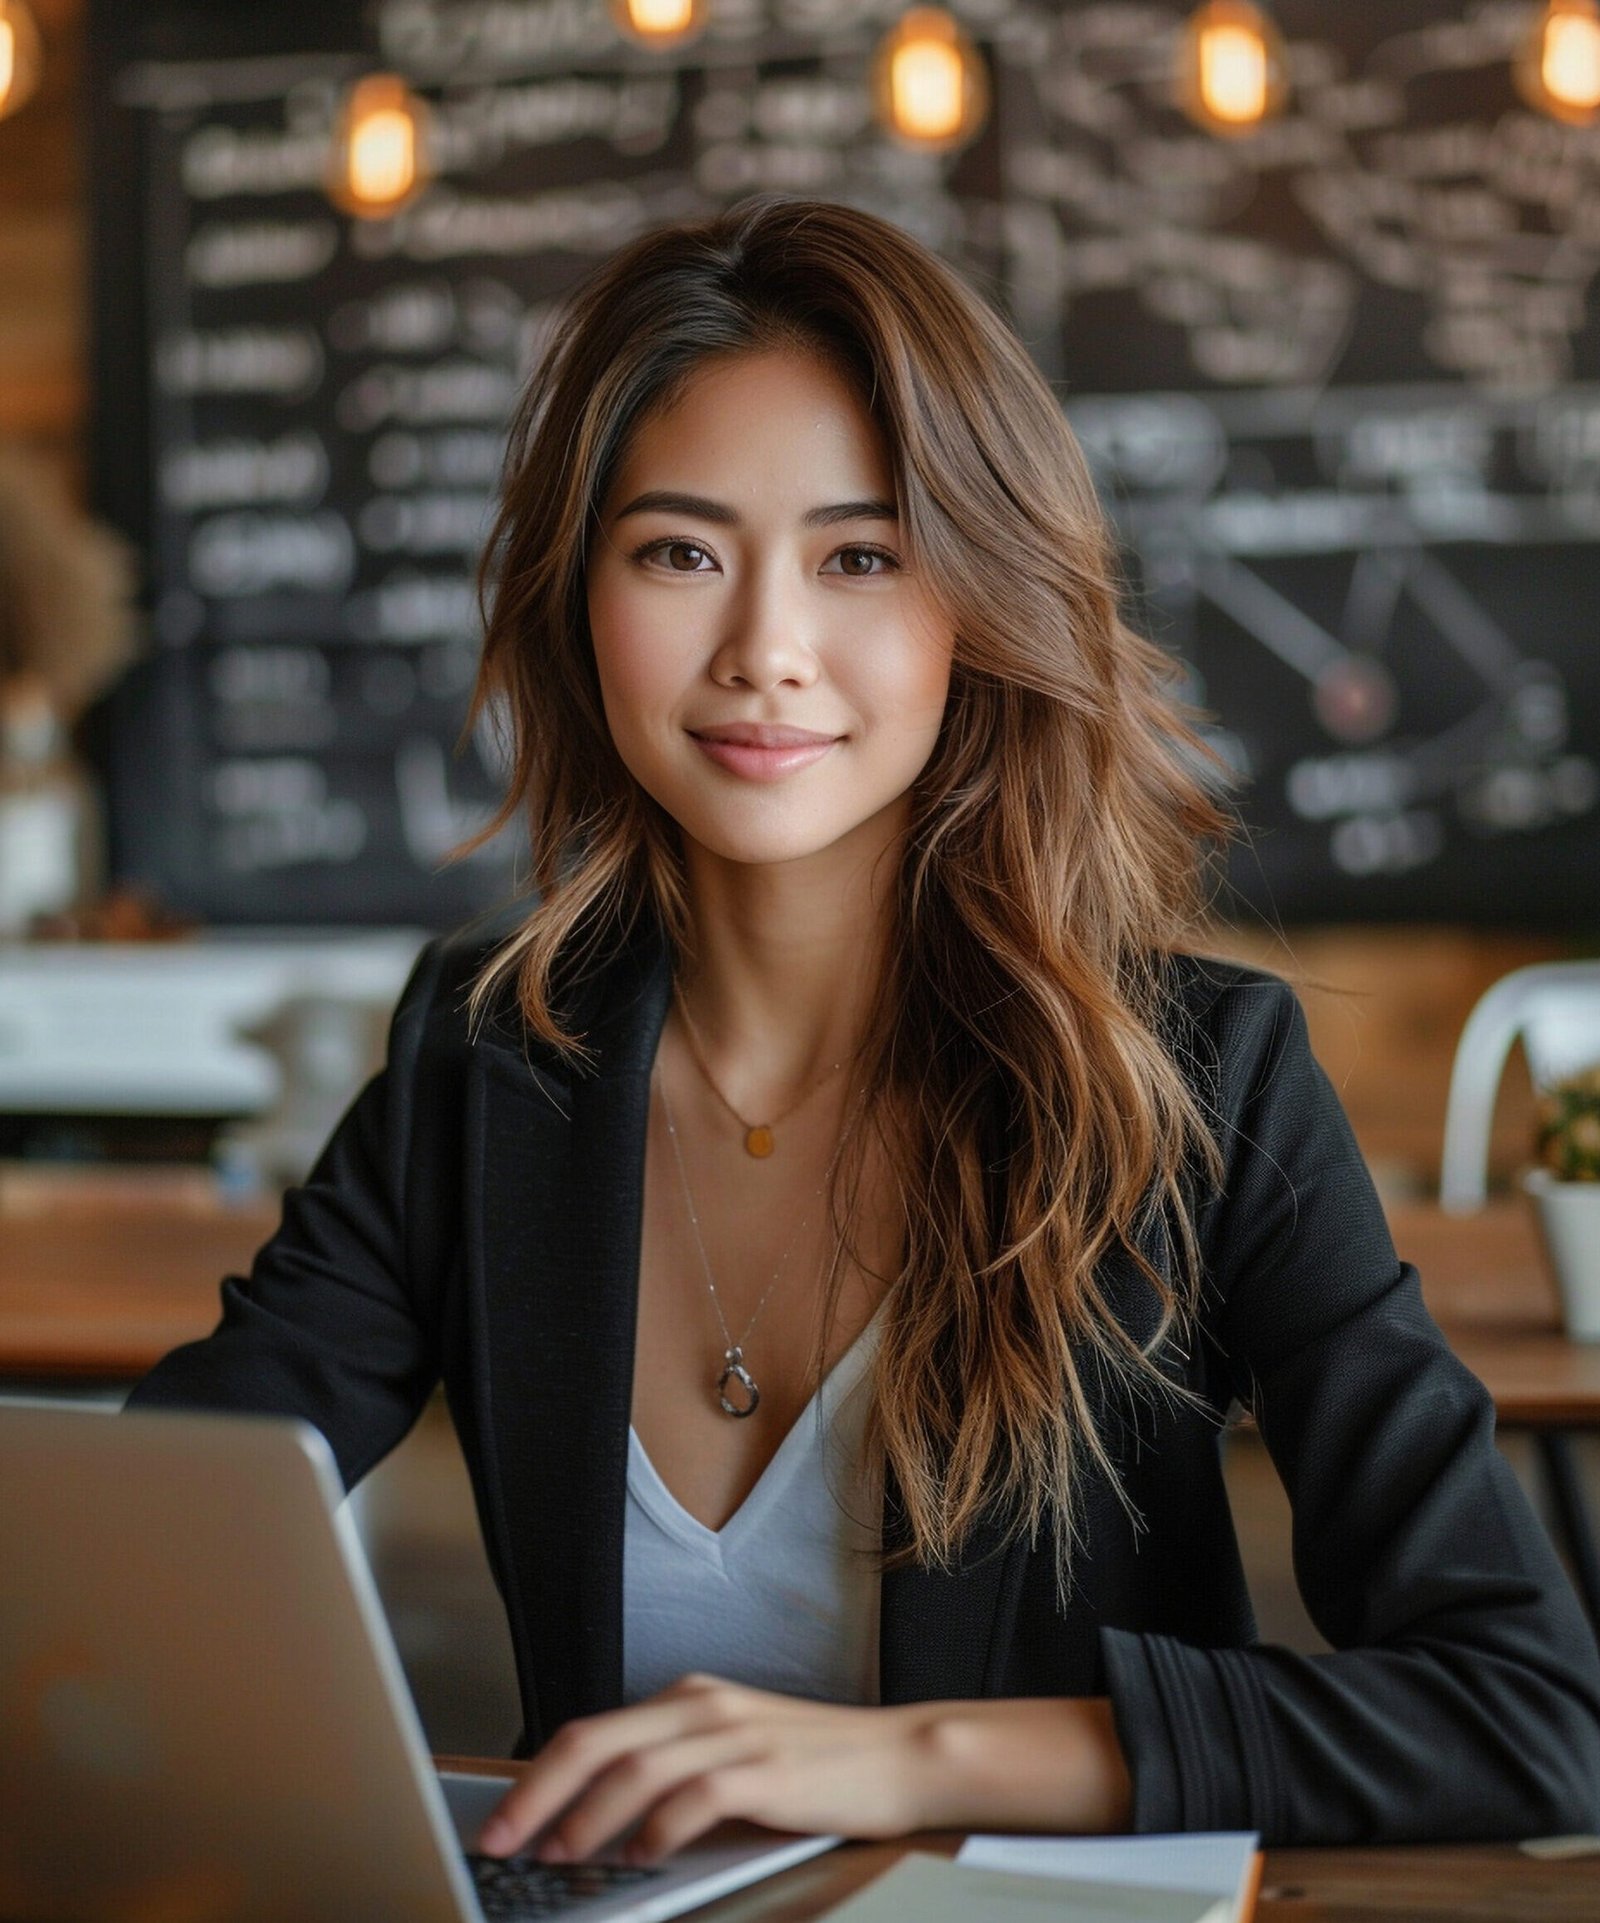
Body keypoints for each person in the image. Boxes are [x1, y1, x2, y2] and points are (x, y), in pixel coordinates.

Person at [129, 196, 1600, 1861]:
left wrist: (907, 1764)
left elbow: (1526, 1711)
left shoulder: (1202, 1080)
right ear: (579, 599)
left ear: (982, 601)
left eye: (862, 556)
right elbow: (158, 1531)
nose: (765, 650)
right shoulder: (486, 1056)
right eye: (680, 552)